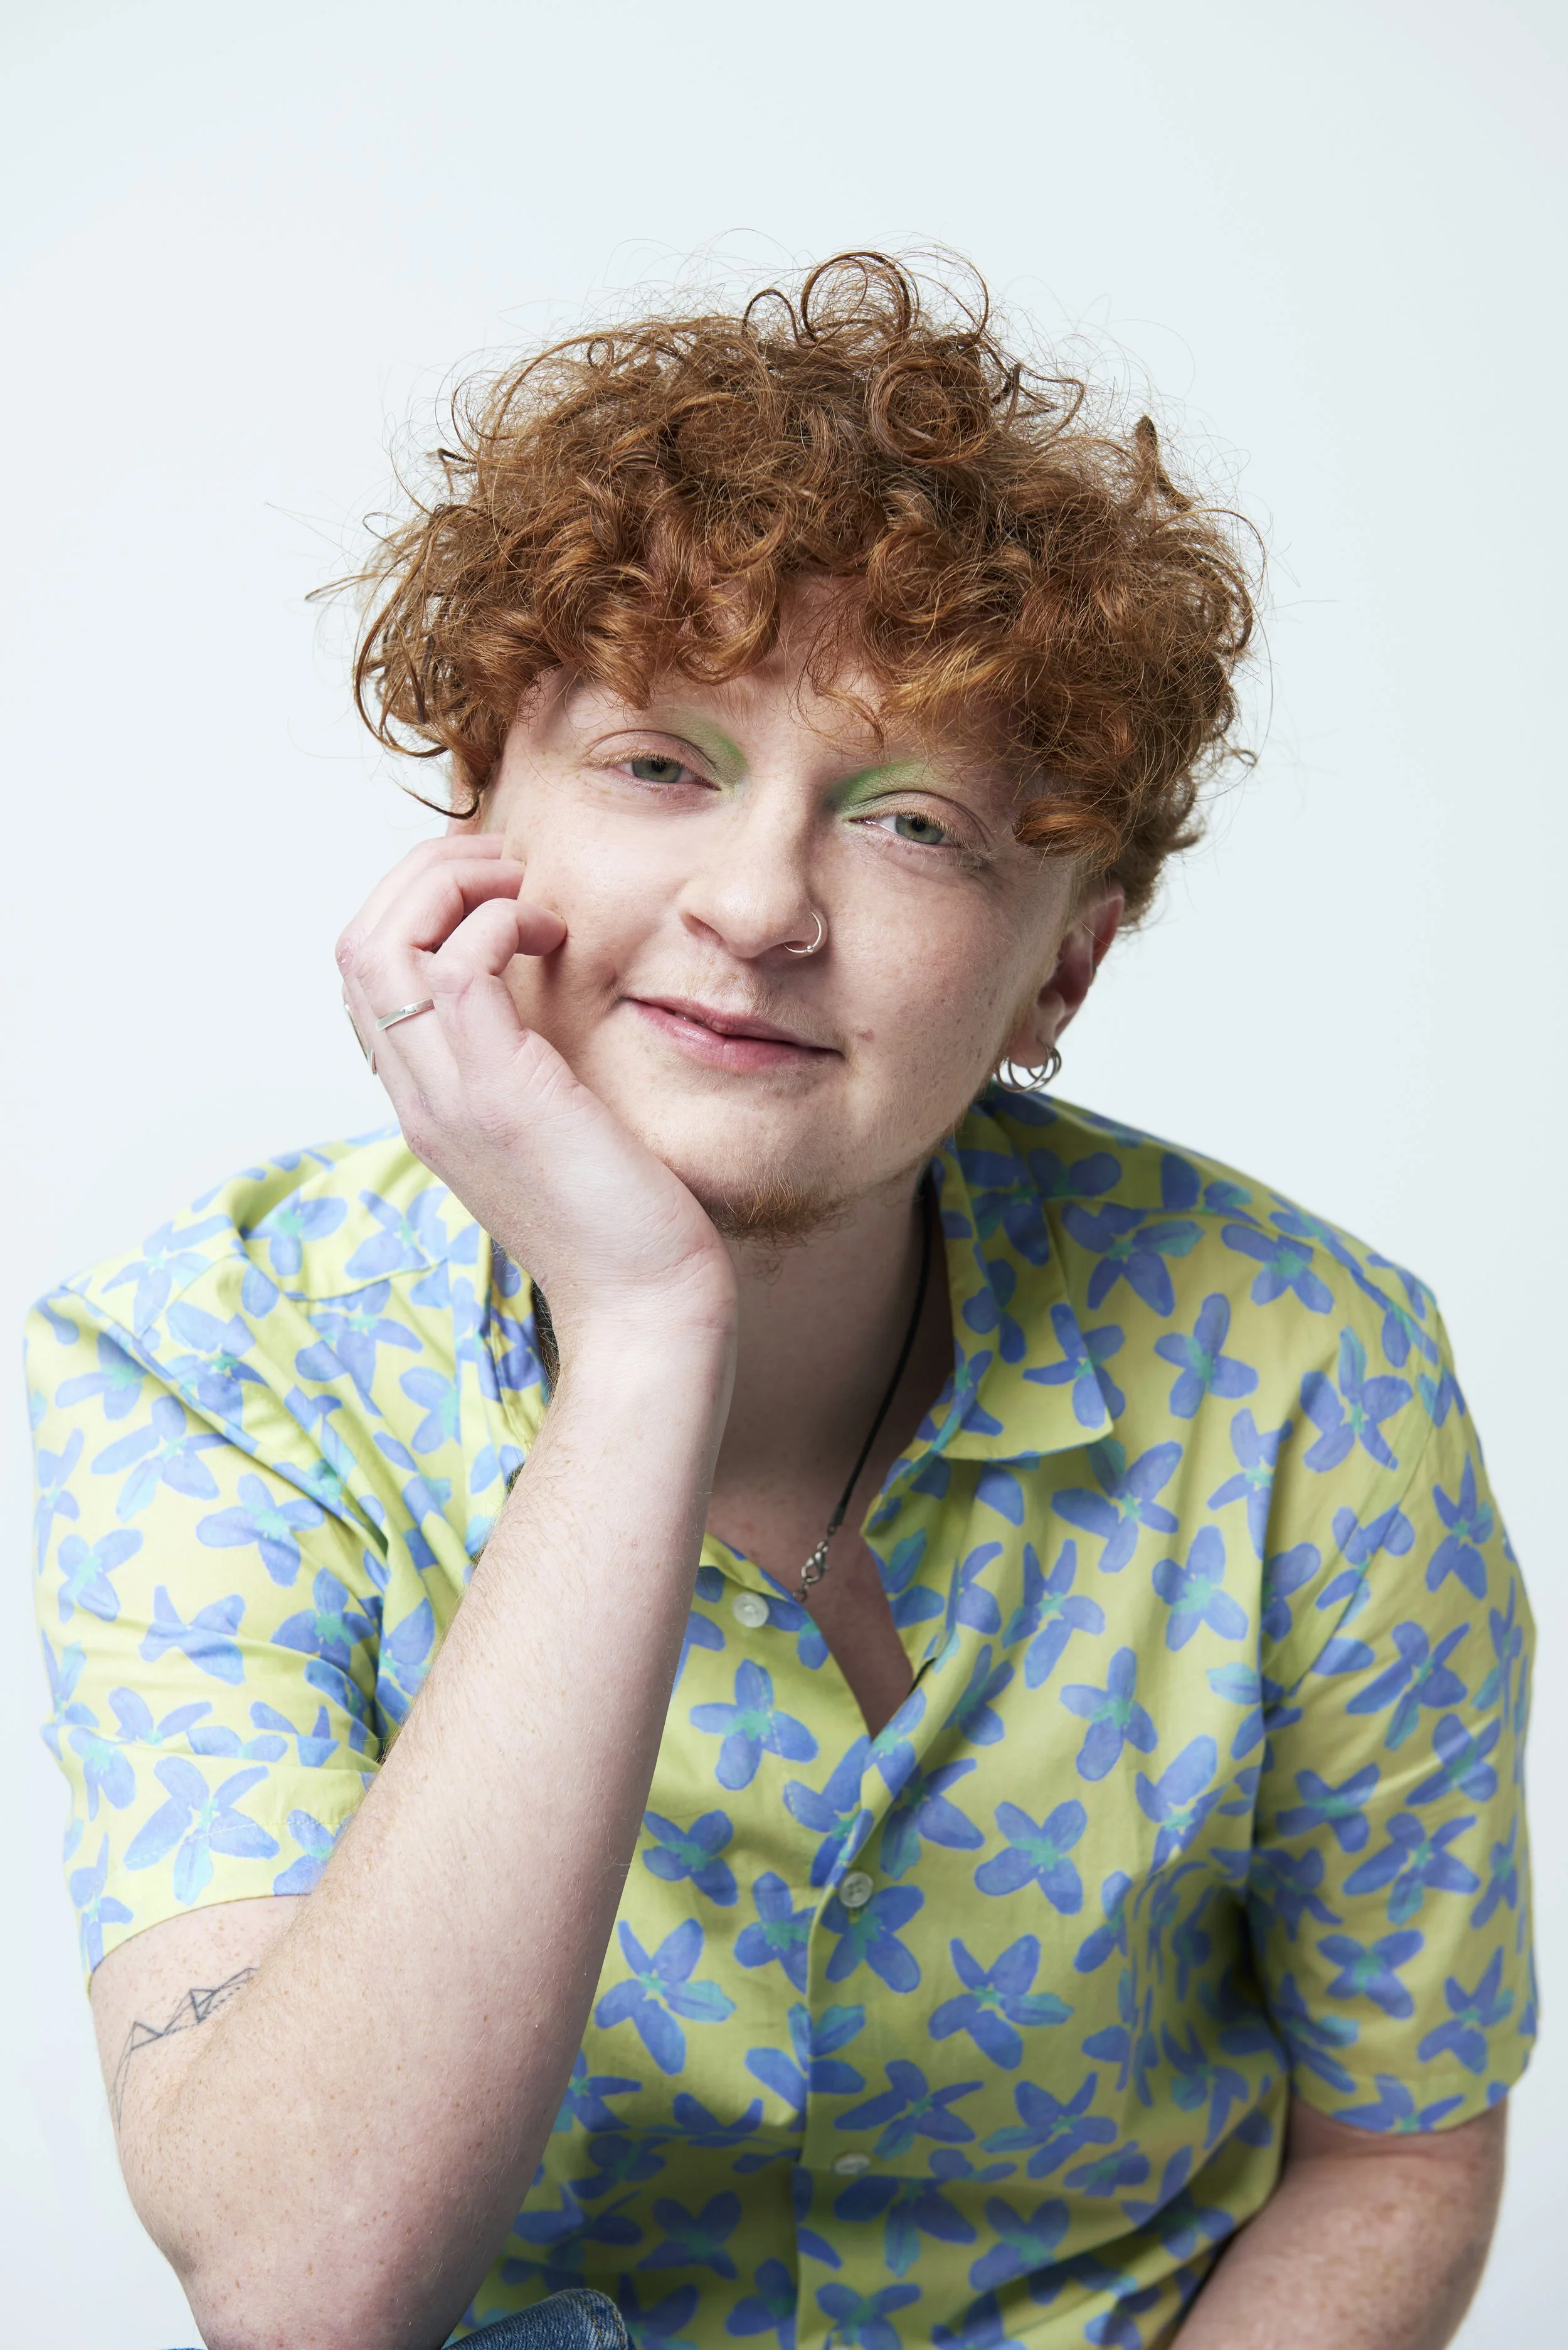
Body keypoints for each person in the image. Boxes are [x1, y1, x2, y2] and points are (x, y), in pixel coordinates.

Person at [29, 254, 1533, 2350]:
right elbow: (306, 2280)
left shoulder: (1307, 1377)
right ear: (481, 821)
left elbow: (1398, 2144)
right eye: (658, 765)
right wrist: (645, 1338)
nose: (751, 908)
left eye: (908, 823)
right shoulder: (204, 1373)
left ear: (1060, 972)